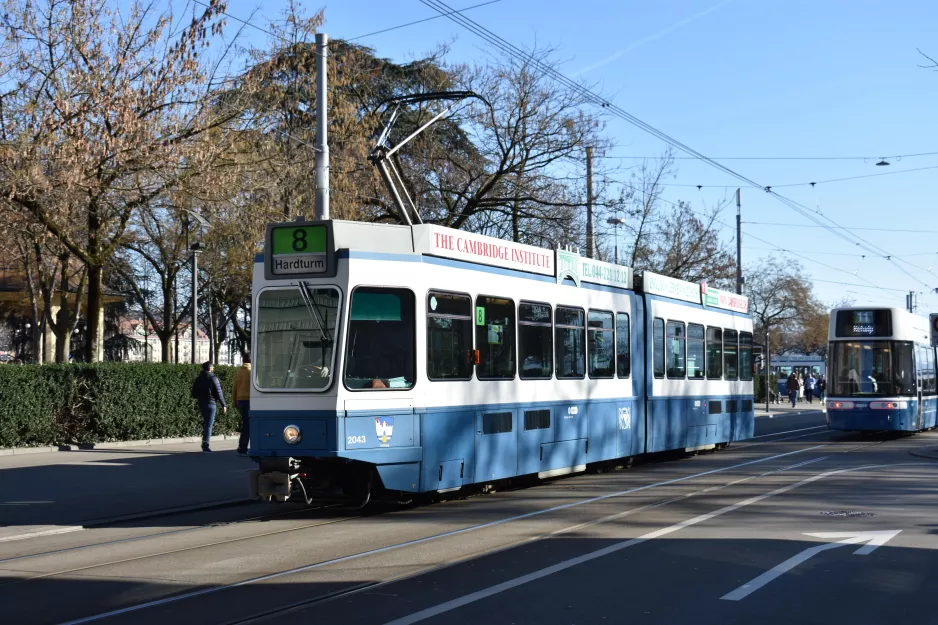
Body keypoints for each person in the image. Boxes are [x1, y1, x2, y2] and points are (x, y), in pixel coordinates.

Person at [191, 361, 226, 453]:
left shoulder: (198, 378)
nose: (213, 368)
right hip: (211, 403)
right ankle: (205, 445)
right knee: (209, 424)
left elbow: (194, 392)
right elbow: (219, 392)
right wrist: (224, 404)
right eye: (213, 367)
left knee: (206, 423)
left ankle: (204, 443)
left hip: (202, 403)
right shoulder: (213, 378)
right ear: (210, 368)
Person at [233, 355, 252, 456]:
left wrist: (235, 401)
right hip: (251, 400)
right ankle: (248, 447)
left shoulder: (238, 372)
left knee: (246, 424)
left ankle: (242, 447)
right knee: (252, 425)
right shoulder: (252, 371)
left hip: (241, 400)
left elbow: (234, 388)